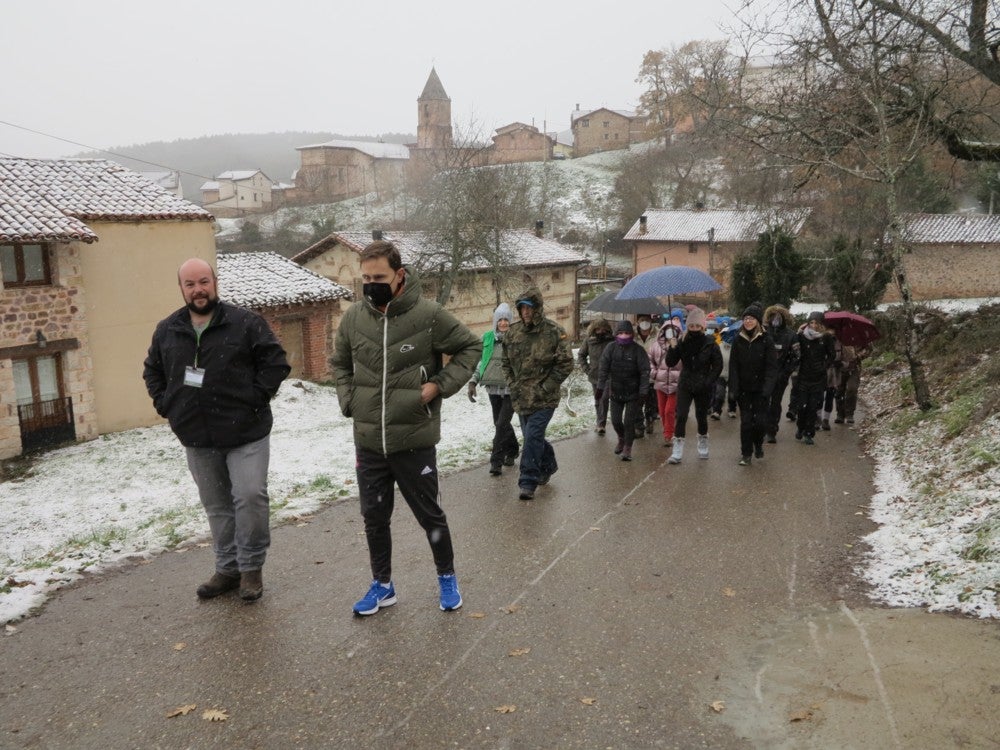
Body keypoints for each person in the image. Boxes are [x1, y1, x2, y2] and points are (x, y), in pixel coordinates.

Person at [331, 240, 481, 616]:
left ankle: (446, 577)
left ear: (399, 275)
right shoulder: (353, 318)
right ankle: (382, 585)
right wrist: (348, 400)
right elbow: (339, 363)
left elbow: (470, 348)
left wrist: (439, 385)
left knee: (430, 515)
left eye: (378, 277)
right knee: (374, 518)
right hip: (369, 441)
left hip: (414, 439)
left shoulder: (428, 315)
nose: (370, 284)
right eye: (365, 277)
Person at [143, 258, 290, 602]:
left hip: (246, 433)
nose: (198, 289)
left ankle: (251, 568)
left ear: (215, 282)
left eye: (204, 281)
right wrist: (167, 405)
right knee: (217, 505)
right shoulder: (168, 329)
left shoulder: (245, 323)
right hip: (197, 435)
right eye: (190, 284)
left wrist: (254, 399)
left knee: (250, 497)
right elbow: (152, 371)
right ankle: (227, 569)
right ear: (181, 289)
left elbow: (276, 363)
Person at [501, 287, 574, 501]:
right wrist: (512, 384)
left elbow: (566, 362)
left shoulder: (553, 332)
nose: (525, 312)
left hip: (544, 398)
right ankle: (549, 464)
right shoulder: (513, 333)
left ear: (538, 309)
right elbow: (505, 361)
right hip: (521, 398)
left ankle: (527, 481)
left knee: (532, 436)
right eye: (522, 308)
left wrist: (546, 386)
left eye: (529, 308)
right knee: (532, 437)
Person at [666, 307, 723, 463]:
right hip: (685, 383)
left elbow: (718, 365)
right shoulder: (682, 342)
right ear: (687, 326)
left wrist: (708, 381)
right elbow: (670, 362)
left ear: (702, 327)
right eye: (692, 326)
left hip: (703, 385)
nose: (695, 329)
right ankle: (677, 449)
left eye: (698, 326)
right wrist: (672, 348)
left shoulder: (710, 343)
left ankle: (703, 441)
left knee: (701, 416)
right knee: (682, 415)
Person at [468, 303, 519, 475]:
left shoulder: (517, 338)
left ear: (510, 321)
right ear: (495, 321)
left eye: (506, 320)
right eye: (500, 320)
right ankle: (512, 450)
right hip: (493, 387)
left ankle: (496, 462)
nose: (503, 323)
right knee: (499, 423)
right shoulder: (488, 338)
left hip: (511, 388)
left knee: (501, 424)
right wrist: (473, 382)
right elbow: (482, 362)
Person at [729, 303, 779, 465]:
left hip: (761, 390)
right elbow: (733, 367)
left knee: (760, 423)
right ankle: (746, 453)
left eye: (751, 318)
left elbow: (772, 368)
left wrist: (767, 389)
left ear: (757, 321)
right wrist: (733, 388)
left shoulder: (766, 340)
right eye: (746, 318)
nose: (748, 321)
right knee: (746, 423)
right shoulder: (738, 340)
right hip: (744, 390)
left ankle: (758, 445)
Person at [596, 320, 650, 461]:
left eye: (627, 333)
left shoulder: (638, 350)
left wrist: (643, 392)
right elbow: (603, 369)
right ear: (616, 334)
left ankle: (627, 448)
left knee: (628, 422)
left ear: (631, 334)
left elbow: (645, 372)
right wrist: (600, 387)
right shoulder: (610, 348)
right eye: (620, 333)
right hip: (615, 391)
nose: (624, 336)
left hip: (634, 393)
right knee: (615, 421)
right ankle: (621, 438)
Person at [794, 311, 837, 445]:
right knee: (802, 407)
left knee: (813, 407)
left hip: (818, 377)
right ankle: (800, 428)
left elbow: (832, 354)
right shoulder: (802, 336)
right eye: (811, 322)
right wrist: (797, 334)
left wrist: (824, 366)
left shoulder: (826, 338)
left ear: (821, 324)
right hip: (803, 376)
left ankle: (809, 433)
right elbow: (795, 350)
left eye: (817, 323)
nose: (814, 325)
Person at [763, 304, 800, 442]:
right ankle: (763, 427)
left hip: (781, 376)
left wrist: (785, 372)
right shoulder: (764, 333)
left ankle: (772, 430)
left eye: (779, 317)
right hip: (764, 375)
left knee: (775, 403)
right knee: (764, 401)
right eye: (773, 317)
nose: (776, 320)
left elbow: (797, 356)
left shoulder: (791, 335)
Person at [647, 318, 683, 447]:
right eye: (668, 330)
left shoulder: (682, 346)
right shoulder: (656, 346)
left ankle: (669, 434)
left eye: (673, 330)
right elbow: (649, 361)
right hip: (660, 383)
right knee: (662, 411)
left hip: (675, 384)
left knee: (669, 410)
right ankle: (666, 430)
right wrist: (654, 373)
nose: (670, 333)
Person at [577, 317, 614, 435]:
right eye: (598, 329)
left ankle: (601, 424)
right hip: (594, 376)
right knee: (598, 400)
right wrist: (587, 369)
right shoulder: (589, 341)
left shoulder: (611, 341)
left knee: (604, 399)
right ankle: (599, 421)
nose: (601, 332)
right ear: (594, 329)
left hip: (608, 376)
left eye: (603, 329)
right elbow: (581, 355)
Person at [633, 314, 659, 437]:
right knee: (637, 402)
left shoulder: (658, 334)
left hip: (652, 374)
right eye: (642, 320)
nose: (645, 322)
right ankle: (639, 426)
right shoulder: (632, 335)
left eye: (647, 320)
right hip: (636, 374)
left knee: (651, 401)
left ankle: (650, 420)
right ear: (637, 322)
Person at [835, 343, 870, 425]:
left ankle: (849, 413)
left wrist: (859, 355)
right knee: (839, 391)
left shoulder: (859, 336)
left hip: (854, 368)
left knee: (852, 388)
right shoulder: (839, 335)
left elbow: (869, 349)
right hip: (840, 368)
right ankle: (840, 414)